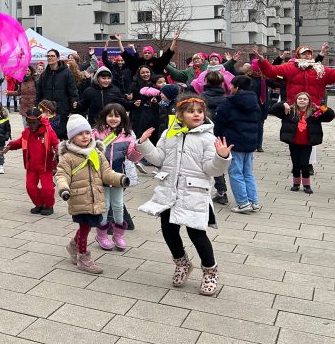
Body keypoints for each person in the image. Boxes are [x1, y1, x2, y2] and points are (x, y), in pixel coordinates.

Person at [137, 96, 232, 296]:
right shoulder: (169, 133)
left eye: (199, 111)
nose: (196, 114)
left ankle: (210, 270)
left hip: (194, 193)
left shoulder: (208, 138)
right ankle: (182, 263)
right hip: (170, 191)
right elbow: (159, 159)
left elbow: (212, 169)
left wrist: (222, 157)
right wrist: (145, 144)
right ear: (180, 114)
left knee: (196, 233)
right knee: (168, 231)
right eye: (191, 111)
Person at [56, 114, 129, 274]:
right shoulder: (68, 157)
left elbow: (106, 173)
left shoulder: (97, 152)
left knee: (87, 226)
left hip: (96, 197)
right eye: (80, 134)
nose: (85, 136)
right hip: (79, 197)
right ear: (71, 137)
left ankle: (73, 246)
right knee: (85, 227)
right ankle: (83, 257)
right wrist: (63, 189)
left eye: (87, 133)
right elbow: (61, 175)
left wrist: (120, 179)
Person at [92, 103, 140, 251]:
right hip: (102, 176)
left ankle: (118, 236)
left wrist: (140, 146)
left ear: (123, 118)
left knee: (118, 205)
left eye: (117, 116)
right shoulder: (96, 133)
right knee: (105, 206)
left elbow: (133, 157)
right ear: (104, 117)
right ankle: (101, 235)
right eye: (110, 115)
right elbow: (88, 152)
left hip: (118, 177)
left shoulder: (127, 135)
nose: (113, 118)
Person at [269, 92, 335, 194]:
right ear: (296, 100)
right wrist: (283, 104)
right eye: (300, 99)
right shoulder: (289, 111)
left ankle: (306, 185)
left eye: (305, 99)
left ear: (309, 102)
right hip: (294, 143)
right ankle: (295, 184)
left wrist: (324, 108)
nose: (302, 100)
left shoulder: (314, 113)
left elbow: (330, 117)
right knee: (295, 164)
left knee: (304, 165)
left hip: (307, 144)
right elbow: (273, 109)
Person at [214, 75, 262, 213]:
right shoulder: (254, 101)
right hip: (250, 142)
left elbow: (219, 121)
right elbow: (259, 122)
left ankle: (242, 203)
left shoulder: (229, 102)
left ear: (237, 87)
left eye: (231, 85)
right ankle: (253, 201)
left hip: (234, 142)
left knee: (235, 173)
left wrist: (218, 138)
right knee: (248, 173)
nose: (230, 88)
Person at [5, 107, 59, 214]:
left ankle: (48, 206)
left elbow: (56, 143)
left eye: (34, 122)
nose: (32, 125)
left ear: (39, 120)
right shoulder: (27, 132)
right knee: (30, 187)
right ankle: (39, 204)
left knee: (47, 189)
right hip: (31, 166)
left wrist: (58, 152)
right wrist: (10, 146)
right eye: (29, 122)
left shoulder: (48, 132)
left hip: (45, 166)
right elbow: (20, 142)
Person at [256, 45, 335, 105]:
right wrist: (262, 61)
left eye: (309, 53)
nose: (307, 55)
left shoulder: (320, 68)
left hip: (314, 107)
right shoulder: (289, 67)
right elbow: (271, 71)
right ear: (298, 55)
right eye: (304, 53)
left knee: (313, 134)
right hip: (294, 107)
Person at [36, 49, 78, 139]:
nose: (50, 58)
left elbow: (73, 91)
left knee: (61, 137)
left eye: (52, 56)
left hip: (62, 111)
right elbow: (39, 93)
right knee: (47, 136)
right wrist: (38, 107)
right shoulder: (44, 75)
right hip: (46, 111)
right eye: (48, 56)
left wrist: (72, 110)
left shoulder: (67, 73)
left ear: (58, 58)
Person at [201, 72, 229, 204]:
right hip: (222, 135)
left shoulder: (202, 98)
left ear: (206, 81)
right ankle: (221, 192)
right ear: (221, 83)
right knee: (218, 162)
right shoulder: (226, 99)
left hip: (205, 133)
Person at [112, 31, 179, 75]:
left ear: (152, 54)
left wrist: (174, 40)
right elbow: (125, 55)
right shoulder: (138, 62)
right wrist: (119, 41)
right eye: (145, 53)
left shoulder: (157, 62)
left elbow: (168, 54)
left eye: (148, 53)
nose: (146, 54)